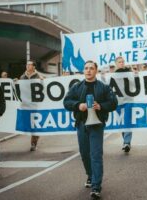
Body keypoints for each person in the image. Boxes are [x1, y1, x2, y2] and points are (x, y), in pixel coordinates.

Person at [64, 60, 118, 199]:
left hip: (97, 126)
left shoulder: (103, 87)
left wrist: (100, 106)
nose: (88, 70)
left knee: (96, 155)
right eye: (86, 68)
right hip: (82, 124)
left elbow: (113, 103)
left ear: (96, 71)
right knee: (84, 154)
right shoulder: (77, 87)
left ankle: (96, 187)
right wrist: (78, 105)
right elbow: (66, 102)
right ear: (83, 70)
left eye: (91, 68)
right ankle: (90, 175)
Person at [19, 60, 45, 151]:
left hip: (35, 105)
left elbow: (44, 88)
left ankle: (33, 143)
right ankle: (36, 135)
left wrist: (42, 81)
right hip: (25, 105)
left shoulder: (39, 76)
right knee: (28, 124)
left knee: (34, 125)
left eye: (29, 65)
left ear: (34, 67)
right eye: (27, 65)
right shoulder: (22, 77)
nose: (27, 66)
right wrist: (15, 83)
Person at [112, 56, 136, 153]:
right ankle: (125, 141)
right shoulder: (112, 75)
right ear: (116, 64)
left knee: (127, 121)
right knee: (121, 123)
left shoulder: (128, 73)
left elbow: (134, 85)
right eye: (119, 62)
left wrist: (134, 75)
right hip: (118, 102)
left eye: (122, 62)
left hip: (128, 101)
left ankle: (127, 142)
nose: (121, 63)